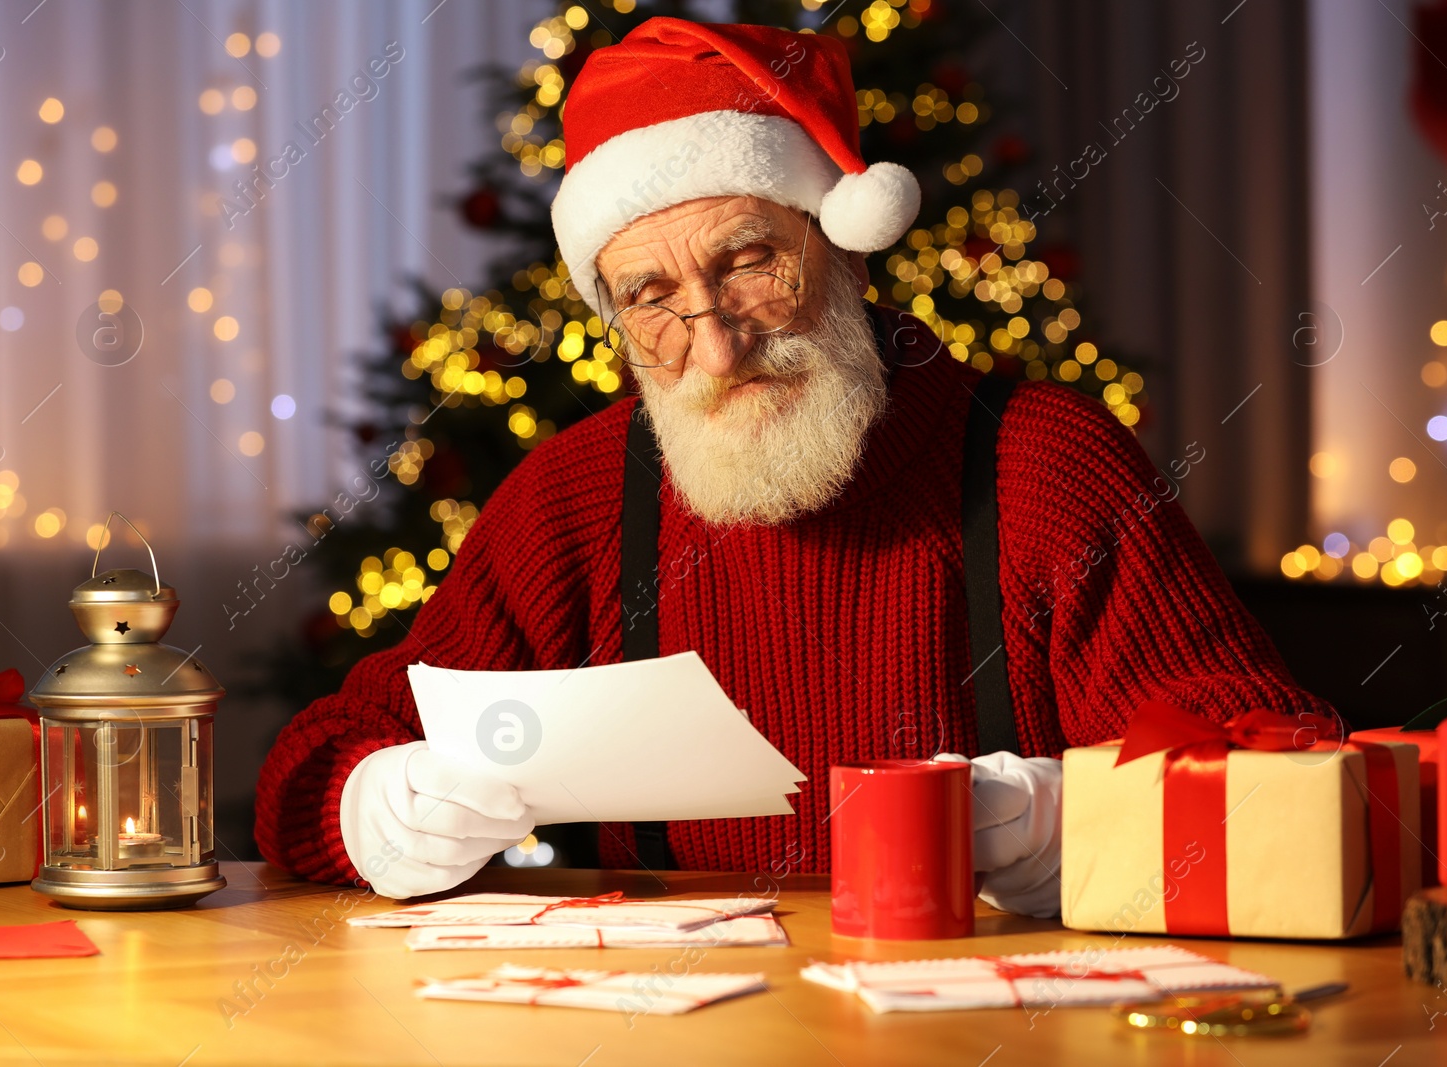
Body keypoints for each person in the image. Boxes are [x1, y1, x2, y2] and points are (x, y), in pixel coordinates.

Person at [254, 19, 1332, 915]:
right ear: (615, 317)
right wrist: (381, 803)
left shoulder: (1048, 462)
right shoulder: (570, 501)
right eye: (651, 299)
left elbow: (1270, 760)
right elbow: (315, 762)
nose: (714, 345)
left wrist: (1062, 815)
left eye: (750, 263)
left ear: (846, 246)